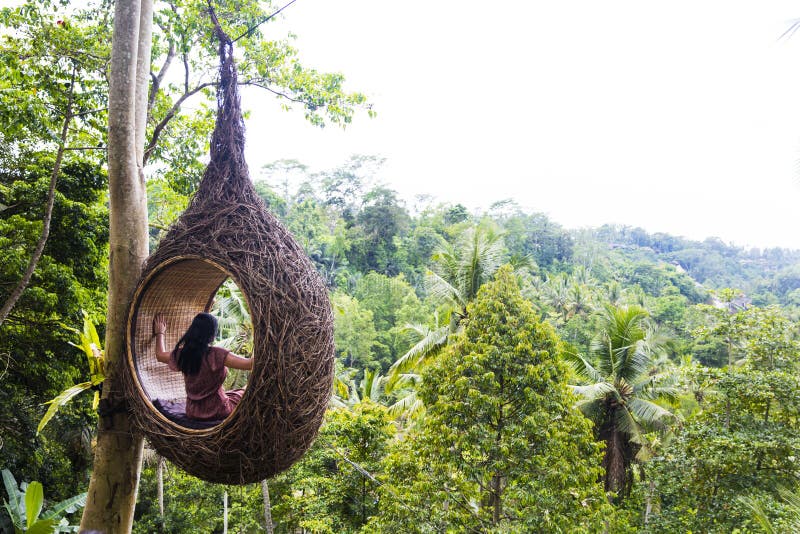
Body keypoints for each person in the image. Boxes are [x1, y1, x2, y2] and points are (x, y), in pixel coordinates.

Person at [153, 312, 252, 421]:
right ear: (213, 334)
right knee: (243, 392)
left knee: (233, 393)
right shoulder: (217, 354)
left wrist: (160, 333)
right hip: (218, 410)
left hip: (193, 411)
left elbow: (160, 355)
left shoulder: (184, 354)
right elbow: (249, 364)